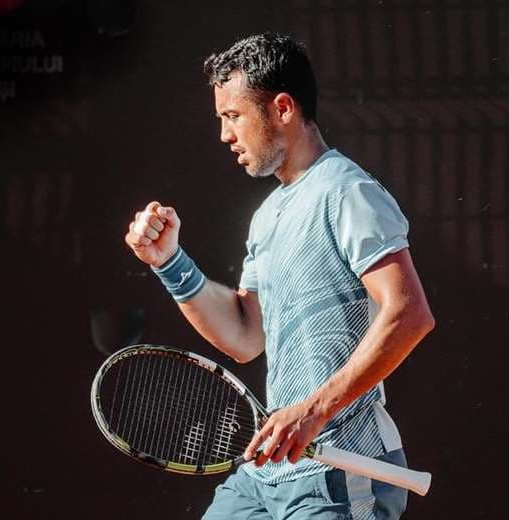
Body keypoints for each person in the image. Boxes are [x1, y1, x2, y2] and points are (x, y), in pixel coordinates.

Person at [124, 33, 435, 520]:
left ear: (283, 108)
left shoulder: (347, 192)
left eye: (233, 116)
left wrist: (312, 413)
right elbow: (246, 335)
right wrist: (169, 261)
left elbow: (409, 313)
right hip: (266, 473)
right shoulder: (267, 217)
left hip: (339, 472)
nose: (225, 135)